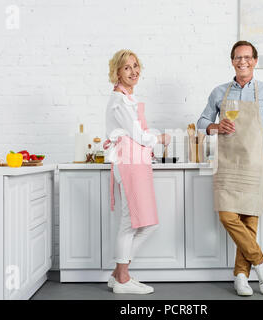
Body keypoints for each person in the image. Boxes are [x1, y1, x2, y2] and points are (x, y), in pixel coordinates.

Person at [197, 41, 263, 296]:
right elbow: (201, 122)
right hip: (227, 164)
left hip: (254, 164)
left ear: (255, 61)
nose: (243, 62)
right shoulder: (219, 92)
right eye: (238, 57)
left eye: (248, 57)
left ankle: (241, 275)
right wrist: (216, 127)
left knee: (250, 220)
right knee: (227, 216)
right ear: (232, 61)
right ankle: (261, 262)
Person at [104, 49, 170, 294]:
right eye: (126, 68)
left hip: (135, 162)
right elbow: (139, 135)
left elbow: (137, 131)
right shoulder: (120, 101)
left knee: (142, 222)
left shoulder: (127, 98)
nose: (133, 71)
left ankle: (117, 275)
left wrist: (150, 136)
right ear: (117, 73)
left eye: (135, 66)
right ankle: (122, 279)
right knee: (131, 223)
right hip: (129, 163)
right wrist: (161, 138)